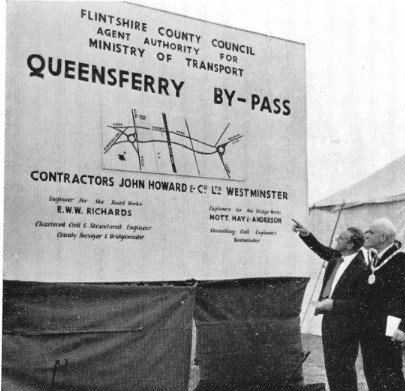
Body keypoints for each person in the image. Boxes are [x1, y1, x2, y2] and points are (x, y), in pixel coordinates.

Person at [293, 220, 369, 391]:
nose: (336, 240)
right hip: (329, 322)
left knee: (344, 368)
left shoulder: (362, 268)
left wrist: (334, 304)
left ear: (350, 244)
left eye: (341, 238)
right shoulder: (336, 257)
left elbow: (362, 304)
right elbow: (320, 249)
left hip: (347, 327)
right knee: (331, 368)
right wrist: (306, 234)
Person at [361, 218, 405, 391]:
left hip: (390, 330)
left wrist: (403, 327)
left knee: (391, 376)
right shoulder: (374, 260)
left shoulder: (401, 261)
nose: (366, 234)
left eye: (371, 232)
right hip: (370, 329)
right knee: (372, 375)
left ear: (383, 237)